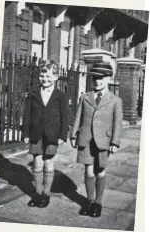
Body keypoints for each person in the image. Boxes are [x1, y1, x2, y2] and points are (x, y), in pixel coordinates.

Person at [70, 61, 123, 218]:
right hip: (86, 139)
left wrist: (114, 142)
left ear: (109, 79)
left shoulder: (115, 100)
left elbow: (117, 123)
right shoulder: (85, 97)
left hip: (103, 142)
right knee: (88, 170)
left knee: (100, 170)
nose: (98, 81)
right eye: (95, 78)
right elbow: (77, 117)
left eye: (101, 78)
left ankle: (98, 203)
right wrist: (73, 134)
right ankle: (89, 201)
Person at [22, 60, 68, 208]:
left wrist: (62, 136)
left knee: (48, 163)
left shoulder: (60, 96)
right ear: (38, 76)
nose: (45, 79)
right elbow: (27, 114)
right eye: (42, 76)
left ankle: (46, 195)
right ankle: (37, 193)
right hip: (36, 134)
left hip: (52, 135)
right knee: (37, 163)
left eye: (49, 76)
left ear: (56, 77)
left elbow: (65, 117)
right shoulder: (33, 94)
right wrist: (26, 133)